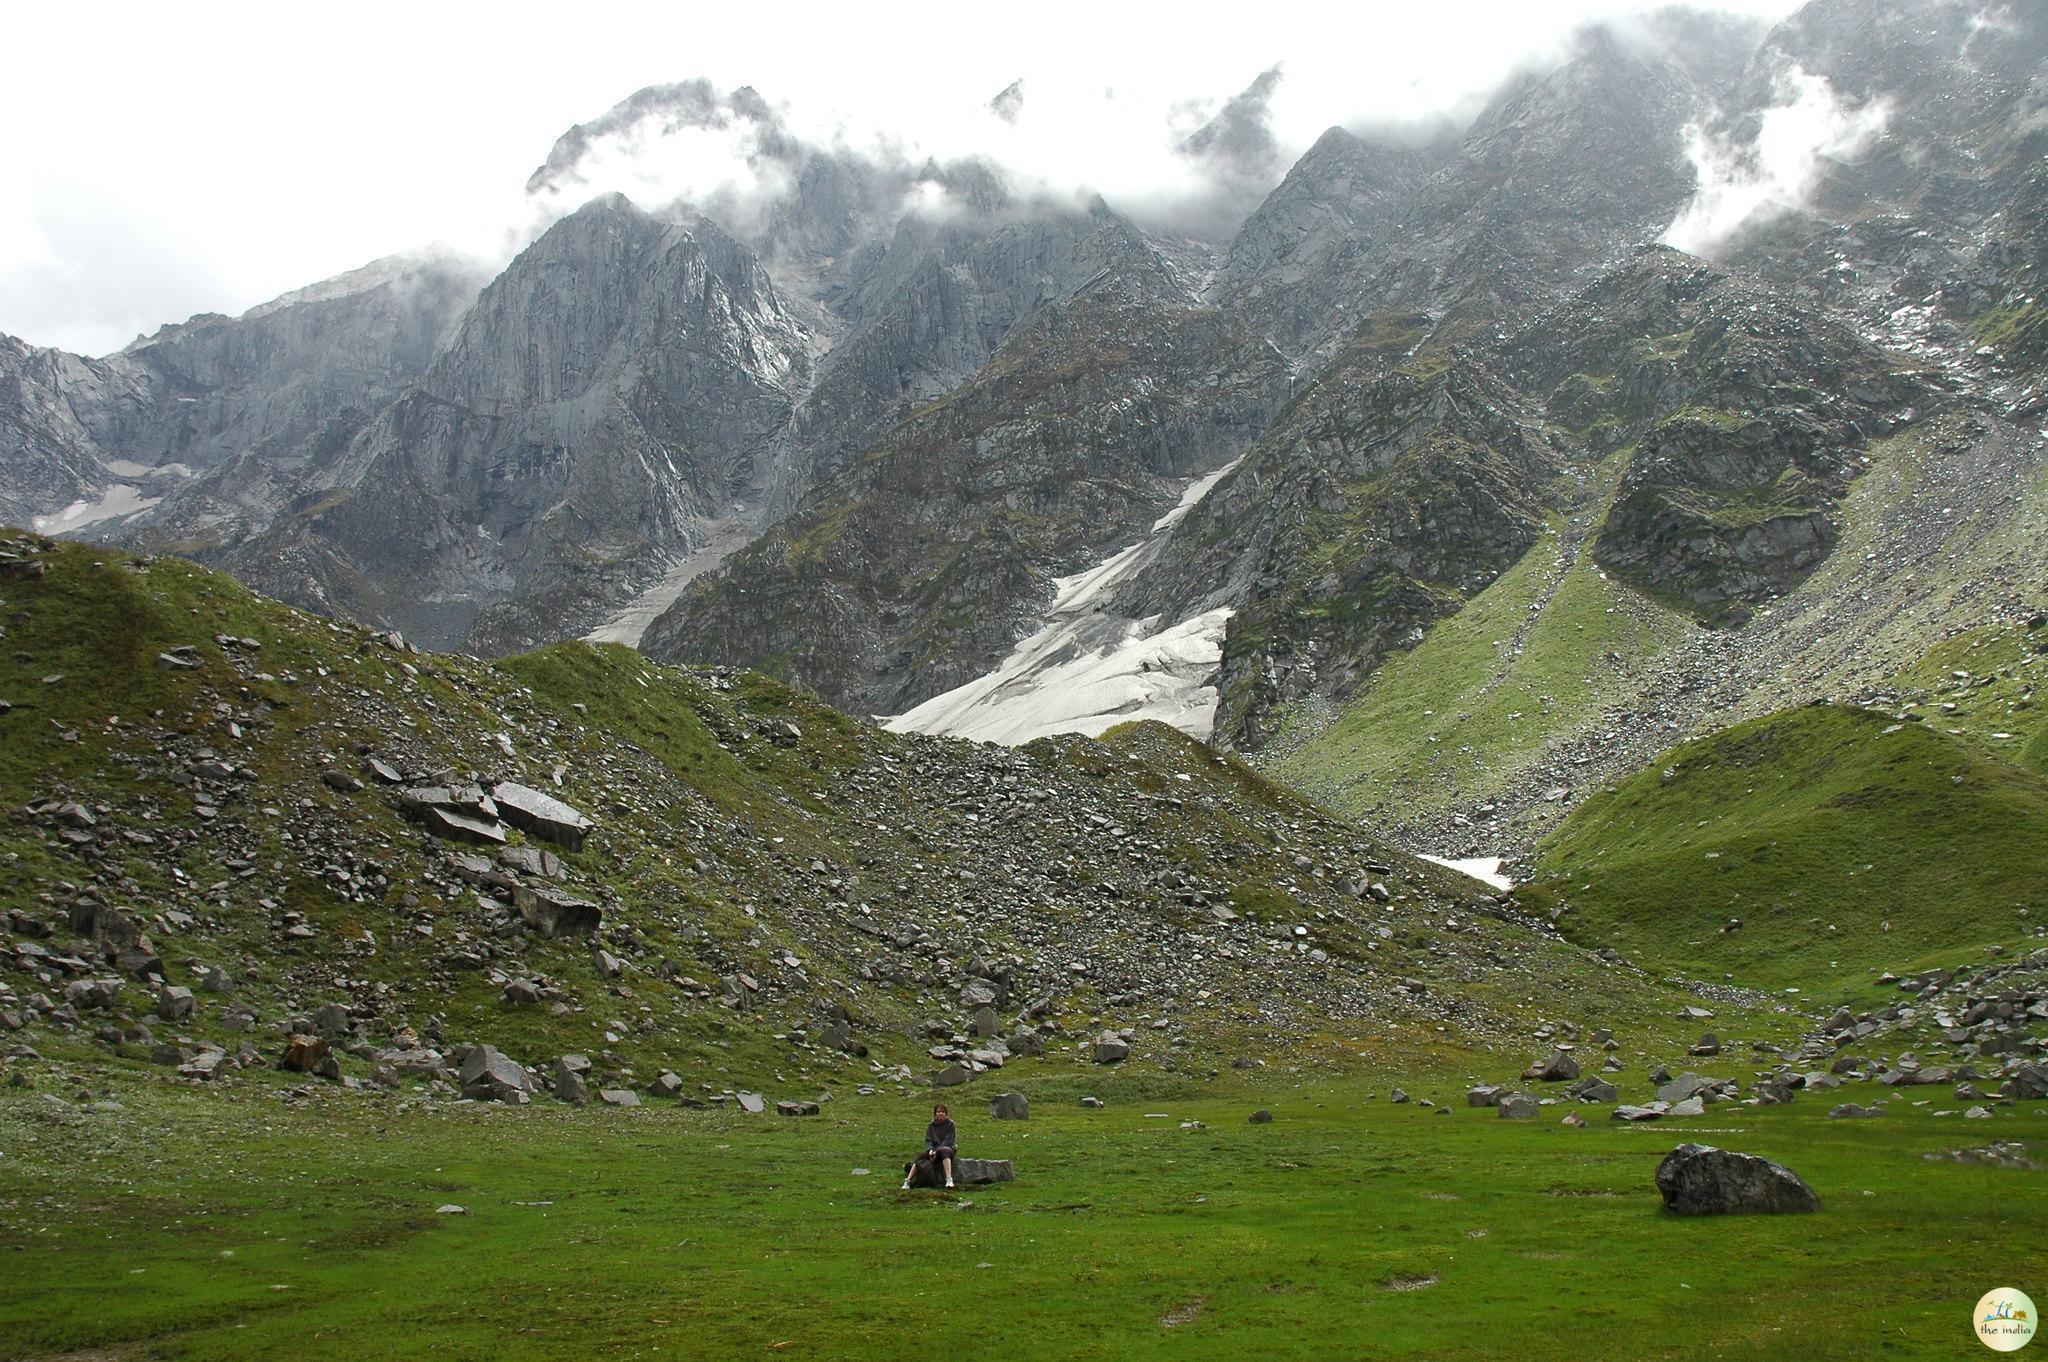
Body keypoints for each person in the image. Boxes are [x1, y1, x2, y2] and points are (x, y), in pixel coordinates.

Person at [903, 1103, 958, 1189]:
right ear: (935, 1114)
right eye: (939, 1111)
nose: (941, 1113)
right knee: (921, 1155)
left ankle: (949, 1179)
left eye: (943, 1112)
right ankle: (908, 1180)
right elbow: (928, 1140)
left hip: (948, 1148)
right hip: (934, 1150)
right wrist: (930, 1150)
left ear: (946, 1114)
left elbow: (948, 1140)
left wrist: (937, 1151)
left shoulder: (950, 1124)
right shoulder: (930, 1126)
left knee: (944, 1151)